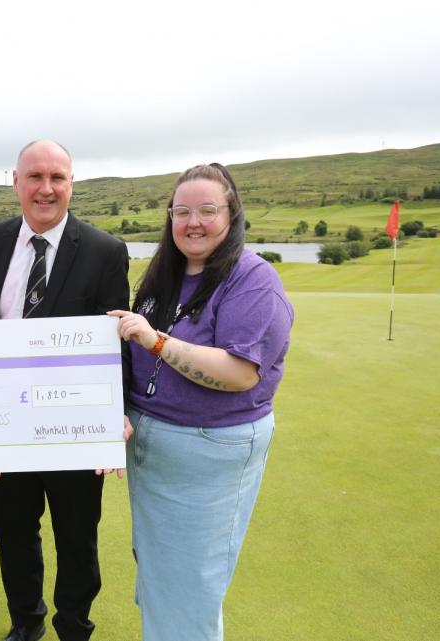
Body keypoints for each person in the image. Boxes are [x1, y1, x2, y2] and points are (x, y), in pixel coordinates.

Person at [107, 163, 294, 641]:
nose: (193, 222)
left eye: (207, 210)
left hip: (208, 453)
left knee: (189, 583)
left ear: (232, 214)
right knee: (161, 573)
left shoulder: (251, 278)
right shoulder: (164, 275)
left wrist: (157, 342)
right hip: (153, 448)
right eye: (182, 211)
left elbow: (239, 373)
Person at [0, 140, 130, 641]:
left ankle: (73, 627)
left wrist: (115, 417)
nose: (46, 188)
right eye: (35, 177)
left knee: (77, 537)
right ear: (15, 183)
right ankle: (26, 622)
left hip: (75, 424)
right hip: (7, 423)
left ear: (71, 183)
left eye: (57, 178)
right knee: (15, 534)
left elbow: (116, 343)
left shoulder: (106, 250)